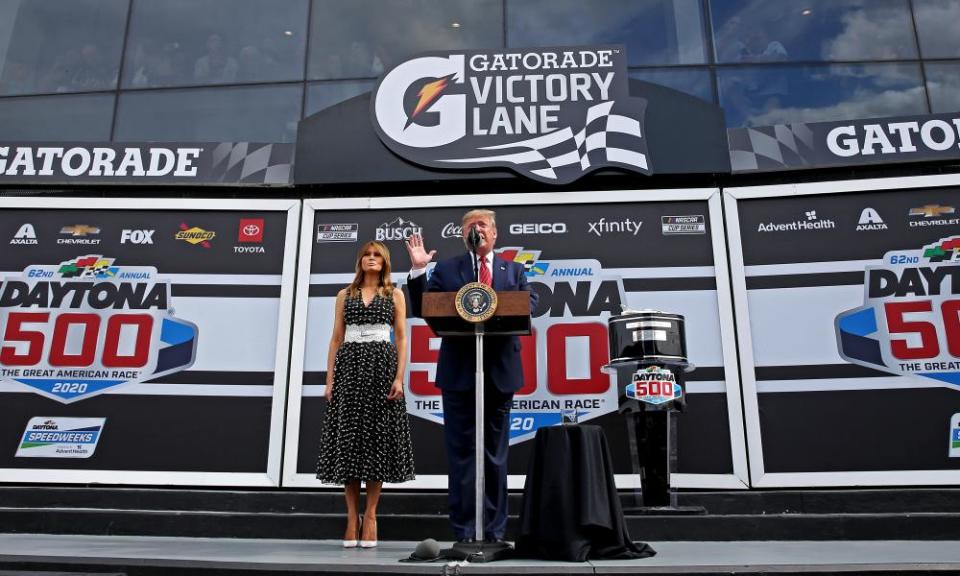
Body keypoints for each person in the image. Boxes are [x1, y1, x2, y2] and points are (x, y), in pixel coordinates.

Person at [405, 209, 538, 544]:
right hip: (459, 374)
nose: (475, 230)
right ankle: (464, 533)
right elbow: (426, 307)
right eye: (469, 227)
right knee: (463, 454)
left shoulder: (514, 270)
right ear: (463, 236)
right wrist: (420, 269)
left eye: (481, 225)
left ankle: (493, 533)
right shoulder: (449, 269)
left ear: (494, 234)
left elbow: (528, 304)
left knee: (494, 455)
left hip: (499, 374)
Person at [316, 240, 416, 548]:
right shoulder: (344, 295)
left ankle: (371, 515)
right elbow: (335, 339)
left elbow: (401, 337)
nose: (371, 259)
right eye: (366, 255)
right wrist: (330, 380)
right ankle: (351, 518)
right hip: (349, 367)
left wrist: (399, 377)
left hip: (381, 367)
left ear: (384, 262)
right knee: (349, 444)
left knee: (376, 441)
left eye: (377, 256)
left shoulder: (394, 294)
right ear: (359, 261)